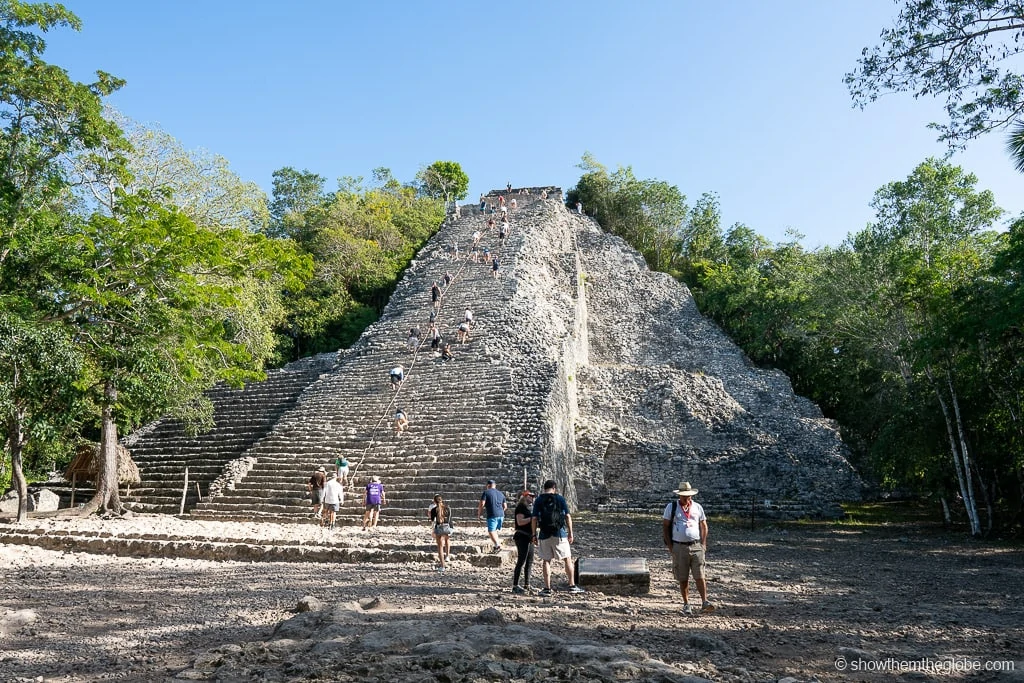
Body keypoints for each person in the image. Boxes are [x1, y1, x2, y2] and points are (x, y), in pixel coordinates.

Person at [662, 481, 715, 614]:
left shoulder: (697, 507)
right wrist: (670, 546)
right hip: (679, 546)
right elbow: (665, 526)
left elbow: (703, 525)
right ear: (679, 495)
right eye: (685, 496)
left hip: (696, 545)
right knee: (683, 576)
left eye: (689, 496)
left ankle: (704, 601)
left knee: (700, 575)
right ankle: (686, 603)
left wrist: (703, 544)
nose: (687, 498)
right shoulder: (671, 507)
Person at [532, 479, 584, 595]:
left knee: (546, 560)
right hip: (559, 533)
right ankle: (572, 585)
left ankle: (547, 588)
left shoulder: (539, 500)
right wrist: (570, 533)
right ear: (554, 488)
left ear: (544, 488)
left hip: (544, 534)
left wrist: (534, 534)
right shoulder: (560, 499)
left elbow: (534, 518)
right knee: (567, 559)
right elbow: (567, 516)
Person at [512, 489, 536, 594]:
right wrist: (532, 519)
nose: (532, 498)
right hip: (522, 537)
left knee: (529, 561)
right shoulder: (521, 508)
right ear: (525, 497)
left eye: (533, 496)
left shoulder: (529, 509)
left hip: (529, 537)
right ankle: (515, 585)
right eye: (530, 496)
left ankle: (527, 584)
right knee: (521, 561)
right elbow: (520, 522)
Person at [476, 479, 507, 552]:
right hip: (501, 515)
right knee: (494, 530)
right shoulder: (501, 493)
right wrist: (500, 511)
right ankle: (496, 545)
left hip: (492, 514)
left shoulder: (486, 492)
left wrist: (479, 514)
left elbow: (482, 504)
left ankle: (497, 545)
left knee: (491, 531)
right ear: (495, 486)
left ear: (488, 486)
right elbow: (505, 506)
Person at [428, 494, 453, 572]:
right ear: (442, 500)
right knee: (447, 540)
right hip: (448, 528)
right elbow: (450, 519)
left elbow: (433, 521)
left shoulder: (433, 510)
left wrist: (432, 531)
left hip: (439, 528)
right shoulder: (448, 508)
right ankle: (447, 556)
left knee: (440, 547)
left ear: (434, 501)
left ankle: (442, 566)